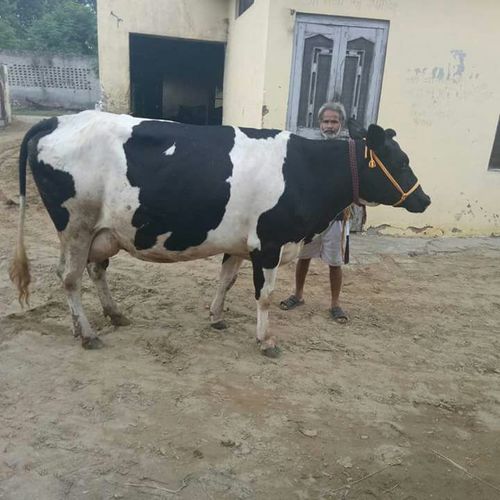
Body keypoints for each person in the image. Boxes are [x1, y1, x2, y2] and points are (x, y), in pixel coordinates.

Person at [279, 101, 351, 323]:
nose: (330, 126)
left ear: (341, 124)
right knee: (304, 257)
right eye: (326, 121)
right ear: (320, 123)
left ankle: (335, 304)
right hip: (312, 217)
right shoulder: (310, 148)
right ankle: (298, 295)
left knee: (335, 262)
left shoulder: (349, 150)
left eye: (334, 121)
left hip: (337, 216)